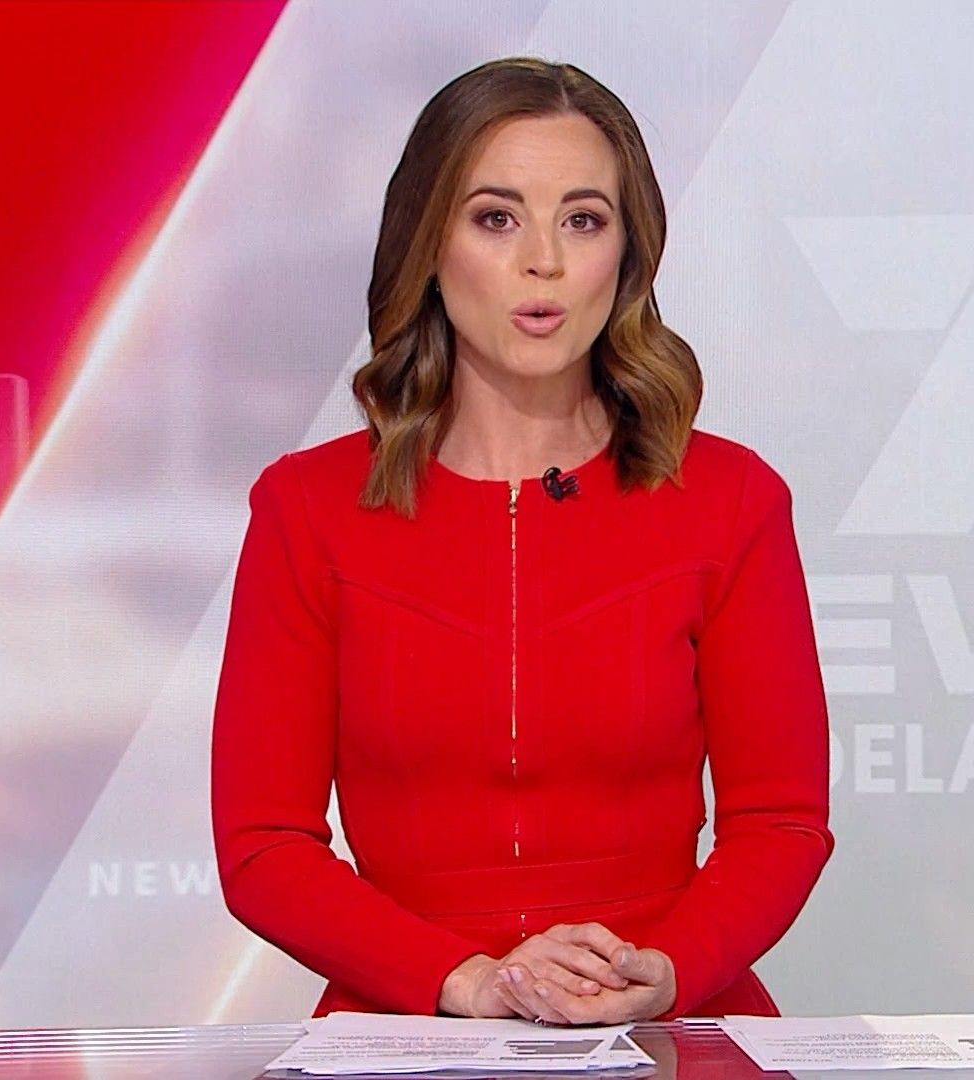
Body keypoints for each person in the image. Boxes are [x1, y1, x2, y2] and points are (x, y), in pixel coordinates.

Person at [211, 56, 832, 1026]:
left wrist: (664, 970)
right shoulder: (307, 508)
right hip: (408, 1027)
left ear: (627, 254)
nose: (543, 260)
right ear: (429, 241)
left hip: (664, 1019)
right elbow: (263, 845)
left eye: (583, 220)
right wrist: (467, 980)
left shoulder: (730, 500)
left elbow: (780, 821)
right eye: (496, 218)